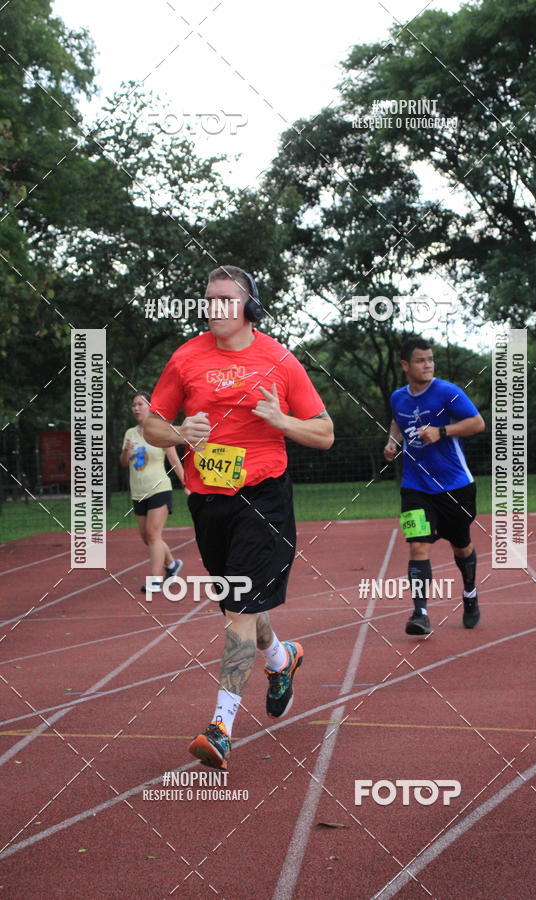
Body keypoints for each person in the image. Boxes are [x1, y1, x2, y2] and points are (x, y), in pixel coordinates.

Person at [143, 265, 334, 769]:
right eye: (208, 298)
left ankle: (220, 727)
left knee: (239, 612)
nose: (214, 307)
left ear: (249, 305)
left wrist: (280, 420)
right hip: (209, 502)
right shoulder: (186, 357)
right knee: (239, 609)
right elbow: (152, 428)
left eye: (226, 298)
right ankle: (281, 659)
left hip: (264, 499)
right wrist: (181, 432)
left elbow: (325, 432)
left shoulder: (278, 358)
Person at [383, 337, 485, 635]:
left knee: (461, 545)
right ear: (405, 365)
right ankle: (420, 613)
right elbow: (397, 420)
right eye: (420, 360)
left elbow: (477, 423)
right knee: (418, 546)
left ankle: (469, 594)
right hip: (415, 487)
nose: (427, 365)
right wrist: (392, 441)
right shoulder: (398, 397)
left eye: (430, 359)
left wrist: (443, 431)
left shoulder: (448, 392)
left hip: (455, 486)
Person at [120, 390, 187, 593]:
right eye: (134, 405)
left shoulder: (159, 431)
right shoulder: (130, 434)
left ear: (150, 407)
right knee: (148, 538)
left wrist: (186, 485)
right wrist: (126, 451)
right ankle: (172, 565)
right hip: (138, 493)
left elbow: (175, 460)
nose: (136, 408)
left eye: (140, 404)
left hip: (159, 488)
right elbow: (123, 463)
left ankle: (156, 579)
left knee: (153, 534)